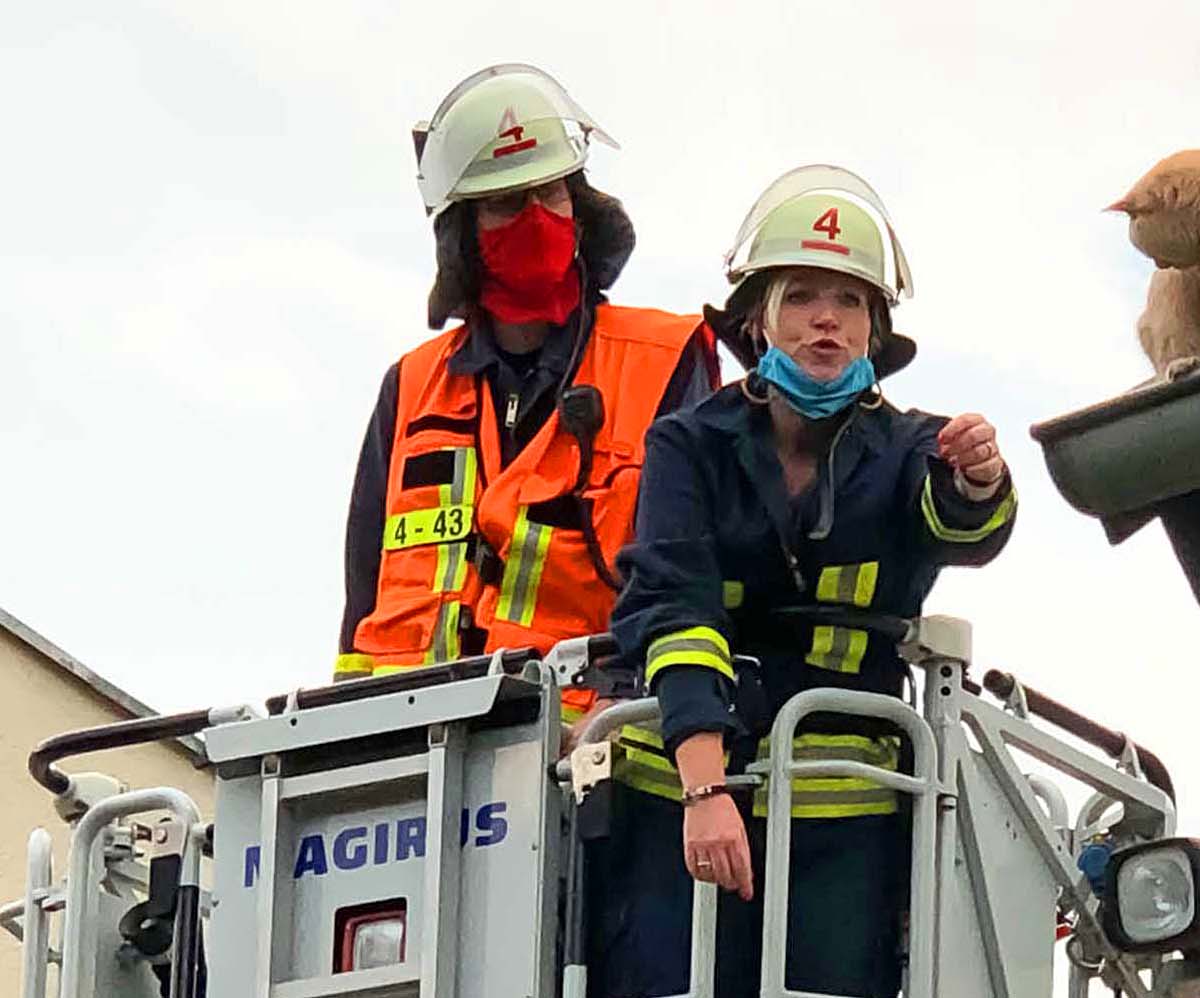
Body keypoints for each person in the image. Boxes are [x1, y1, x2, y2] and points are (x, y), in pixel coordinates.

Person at [600, 165, 1017, 997]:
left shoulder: (911, 449)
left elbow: (956, 526)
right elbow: (672, 601)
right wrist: (705, 787)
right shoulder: (689, 444)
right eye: (801, 297)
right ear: (757, 320)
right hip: (675, 794)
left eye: (850, 300)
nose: (826, 319)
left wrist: (977, 483)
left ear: (875, 330)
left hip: (842, 814)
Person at [334, 64, 717, 730]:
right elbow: (362, 595)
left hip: (591, 751)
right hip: (410, 755)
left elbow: (692, 569)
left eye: (553, 195)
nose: (537, 221)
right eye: (508, 205)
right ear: (463, 235)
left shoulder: (667, 359)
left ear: (583, 209)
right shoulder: (411, 386)